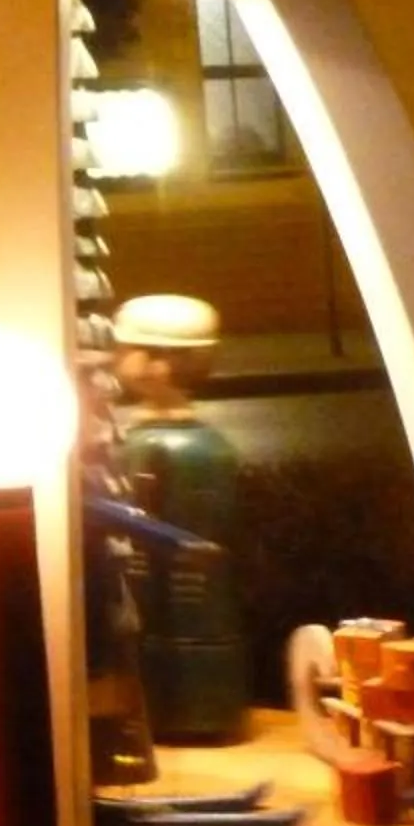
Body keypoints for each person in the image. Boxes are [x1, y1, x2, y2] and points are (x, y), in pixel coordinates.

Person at [113, 294, 248, 742]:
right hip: (149, 589)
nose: (116, 358)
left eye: (126, 348)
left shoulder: (184, 450)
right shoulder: (201, 446)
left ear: (160, 363)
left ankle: (192, 713)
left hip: (176, 590)